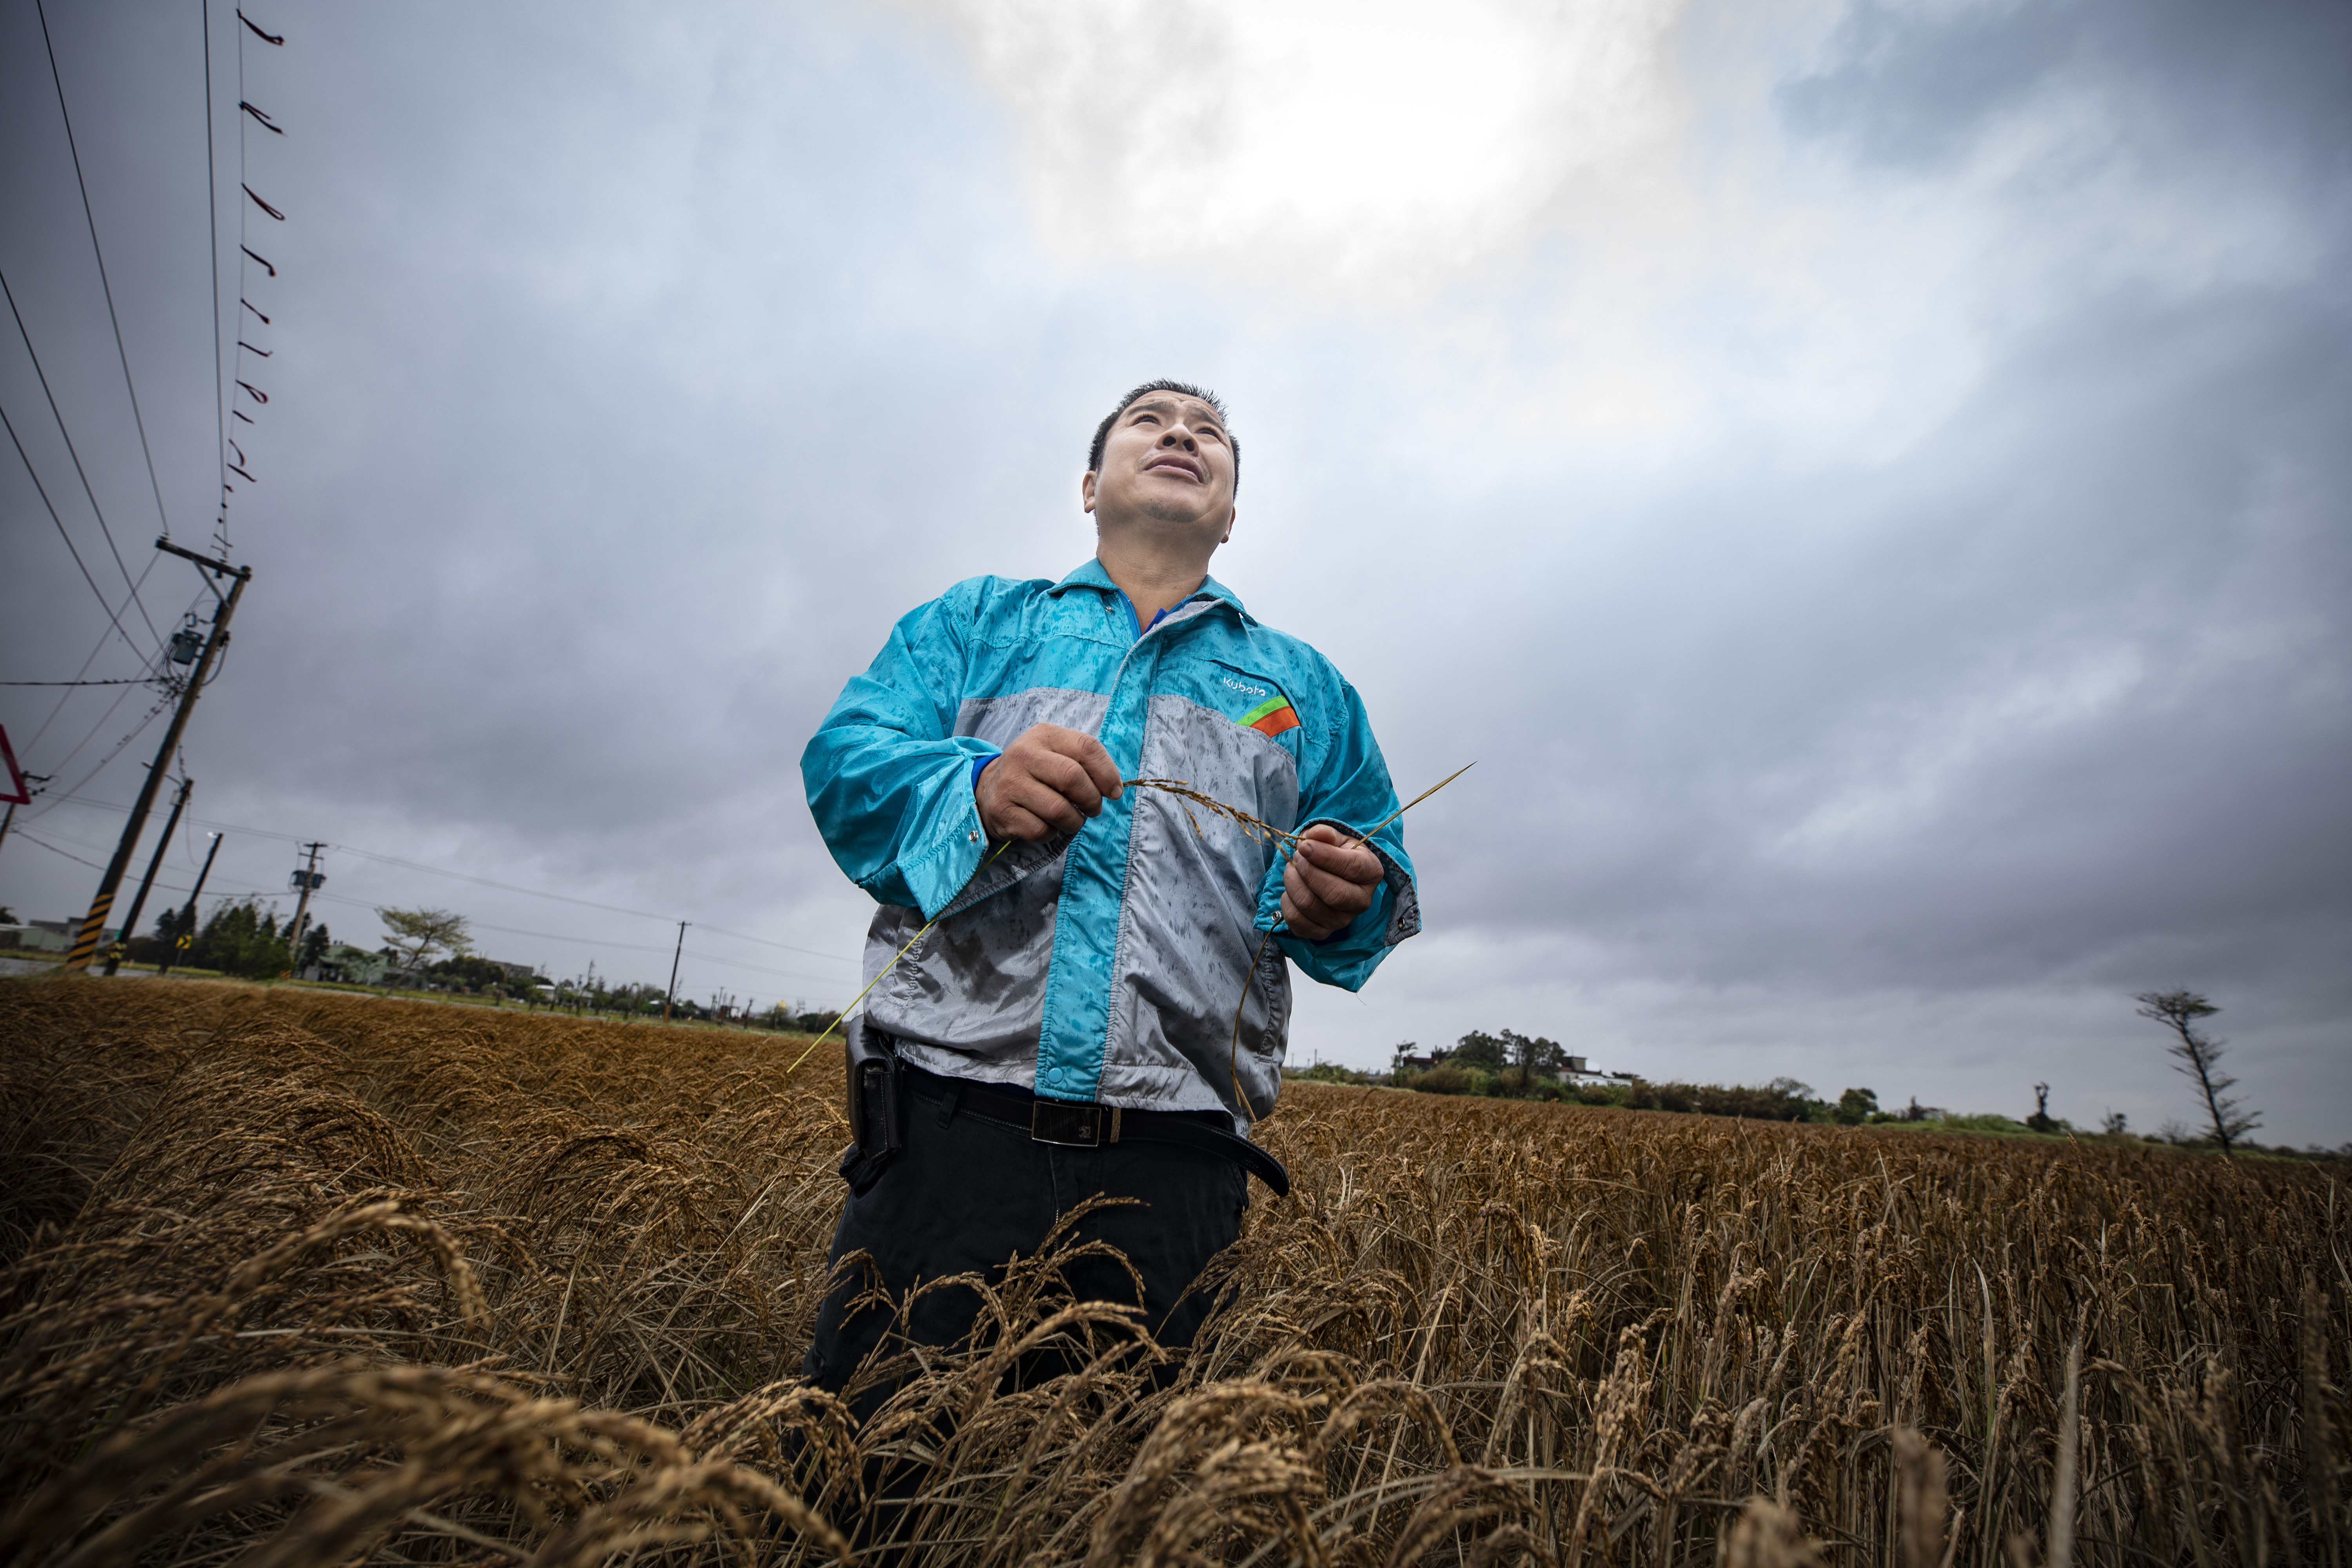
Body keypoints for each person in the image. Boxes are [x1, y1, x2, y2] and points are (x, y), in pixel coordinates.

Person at [799, 379, 1420, 1399]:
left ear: (1231, 512)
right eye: (1151, 422)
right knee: (870, 1477)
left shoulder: (1301, 688)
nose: (1182, 433)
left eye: (1209, 432)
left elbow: (1374, 869)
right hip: (948, 1131)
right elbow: (843, 764)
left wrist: (1349, 893)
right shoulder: (977, 624)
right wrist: (976, 787)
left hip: (1177, 1166)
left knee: (1119, 1505)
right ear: (1091, 486)